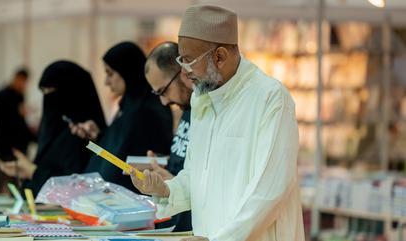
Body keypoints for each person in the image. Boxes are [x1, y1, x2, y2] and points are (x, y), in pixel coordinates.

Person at [130, 5, 305, 241]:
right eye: (181, 60)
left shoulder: (270, 98)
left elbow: (269, 192)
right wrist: (166, 189)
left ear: (220, 57)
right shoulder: (202, 98)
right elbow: (197, 178)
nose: (184, 71)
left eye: (189, 60)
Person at [71, 42, 173, 192]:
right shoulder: (128, 106)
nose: (106, 81)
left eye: (110, 73)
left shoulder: (149, 110)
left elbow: (144, 159)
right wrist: (100, 136)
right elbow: (121, 152)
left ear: (127, 71)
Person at [0, 61, 106, 195]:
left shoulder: (85, 134)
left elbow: (76, 186)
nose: (48, 100)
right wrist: (25, 170)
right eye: (44, 92)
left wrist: (32, 170)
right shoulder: (55, 129)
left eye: (52, 91)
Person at [144, 42, 193, 231]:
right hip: (174, 223)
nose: (164, 101)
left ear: (181, 73)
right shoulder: (188, 109)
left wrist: (170, 182)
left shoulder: (204, 112)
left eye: (163, 90)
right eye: (157, 93)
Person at [0, 68, 35, 161]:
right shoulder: (1, 96)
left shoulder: (20, 96)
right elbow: (1, 121)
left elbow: (21, 120)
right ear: (16, 78)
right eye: (22, 81)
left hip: (19, 146)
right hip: (5, 146)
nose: (23, 85)